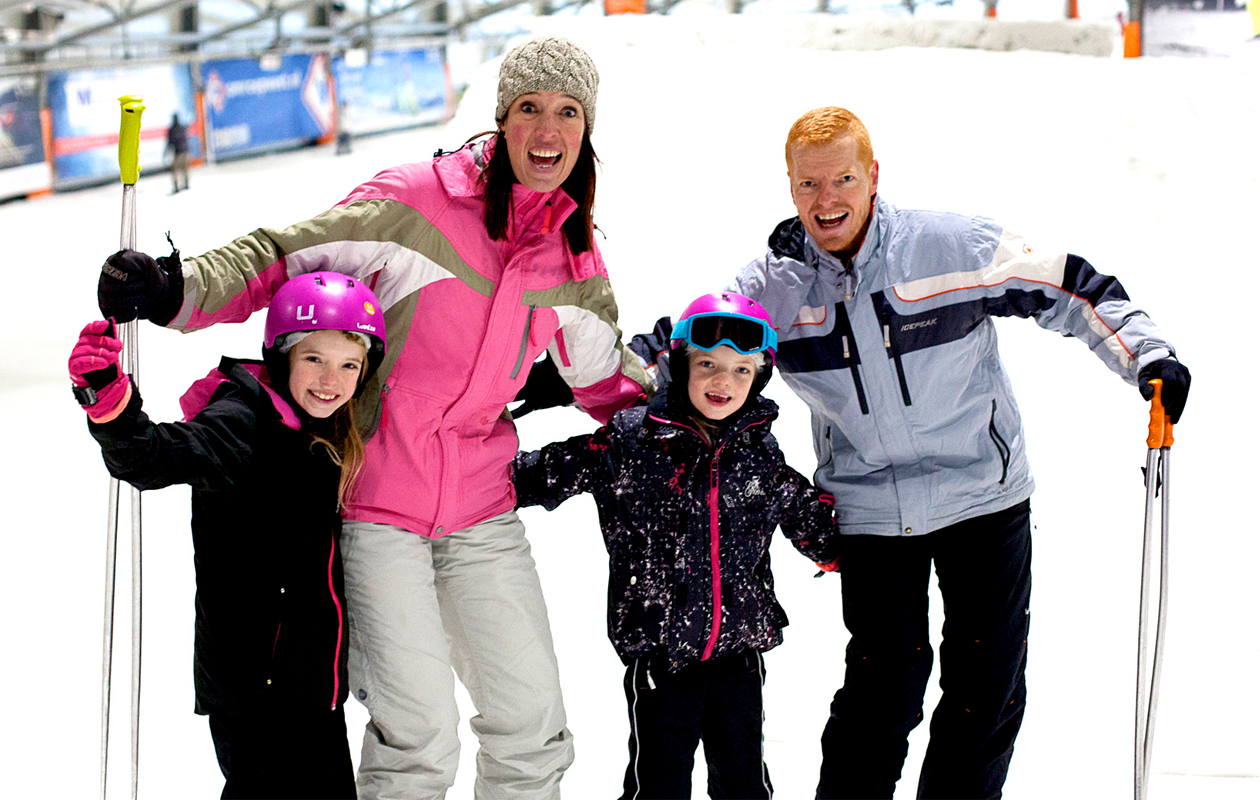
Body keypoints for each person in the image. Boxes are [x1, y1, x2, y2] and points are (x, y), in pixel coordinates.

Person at [94, 36, 651, 799]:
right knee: (417, 738)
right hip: (378, 503)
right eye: (529, 107)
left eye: (567, 112)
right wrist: (174, 287)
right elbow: (285, 256)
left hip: (481, 511)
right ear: (502, 118)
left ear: (587, 129)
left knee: (532, 726)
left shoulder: (573, 254)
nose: (547, 130)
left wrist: (689, 393)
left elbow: (610, 380)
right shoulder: (417, 203)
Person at [718, 106, 1191, 799]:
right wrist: (622, 389)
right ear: (790, 187)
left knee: (985, 688)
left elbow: (1070, 285)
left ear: (872, 176)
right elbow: (693, 355)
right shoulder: (773, 288)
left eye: (843, 179)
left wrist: (1147, 355)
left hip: (982, 494)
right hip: (872, 510)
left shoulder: (947, 247)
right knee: (884, 691)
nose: (827, 200)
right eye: (809, 184)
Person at [71, 271, 388, 799]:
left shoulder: (319, 424)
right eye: (314, 359)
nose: (330, 379)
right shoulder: (243, 420)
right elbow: (154, 456)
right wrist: (110, 408)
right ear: (281, 353)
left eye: (348, 365)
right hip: (258, 689)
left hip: (310, 683)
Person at [513, 292, 841, 800]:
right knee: (658, 783)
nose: (722, 381)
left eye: (741, 370)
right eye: (708, 364)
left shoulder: (761, 455)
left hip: (738, 654)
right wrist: (468, 467)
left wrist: (847, 550)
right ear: (683, 364)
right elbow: (540, 474)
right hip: (660, 654)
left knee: (744, 783)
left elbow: (808, 518)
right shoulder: (631, 442)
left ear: (758, 379)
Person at [165, 112, 189, 193]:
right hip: (183, 151)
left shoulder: (172, 129)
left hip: (178, 152)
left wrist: (167, 151)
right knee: (183, 170)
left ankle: (177, 186)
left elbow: (169, 142)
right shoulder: (181, 128)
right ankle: (185, 184)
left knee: (177, 171)